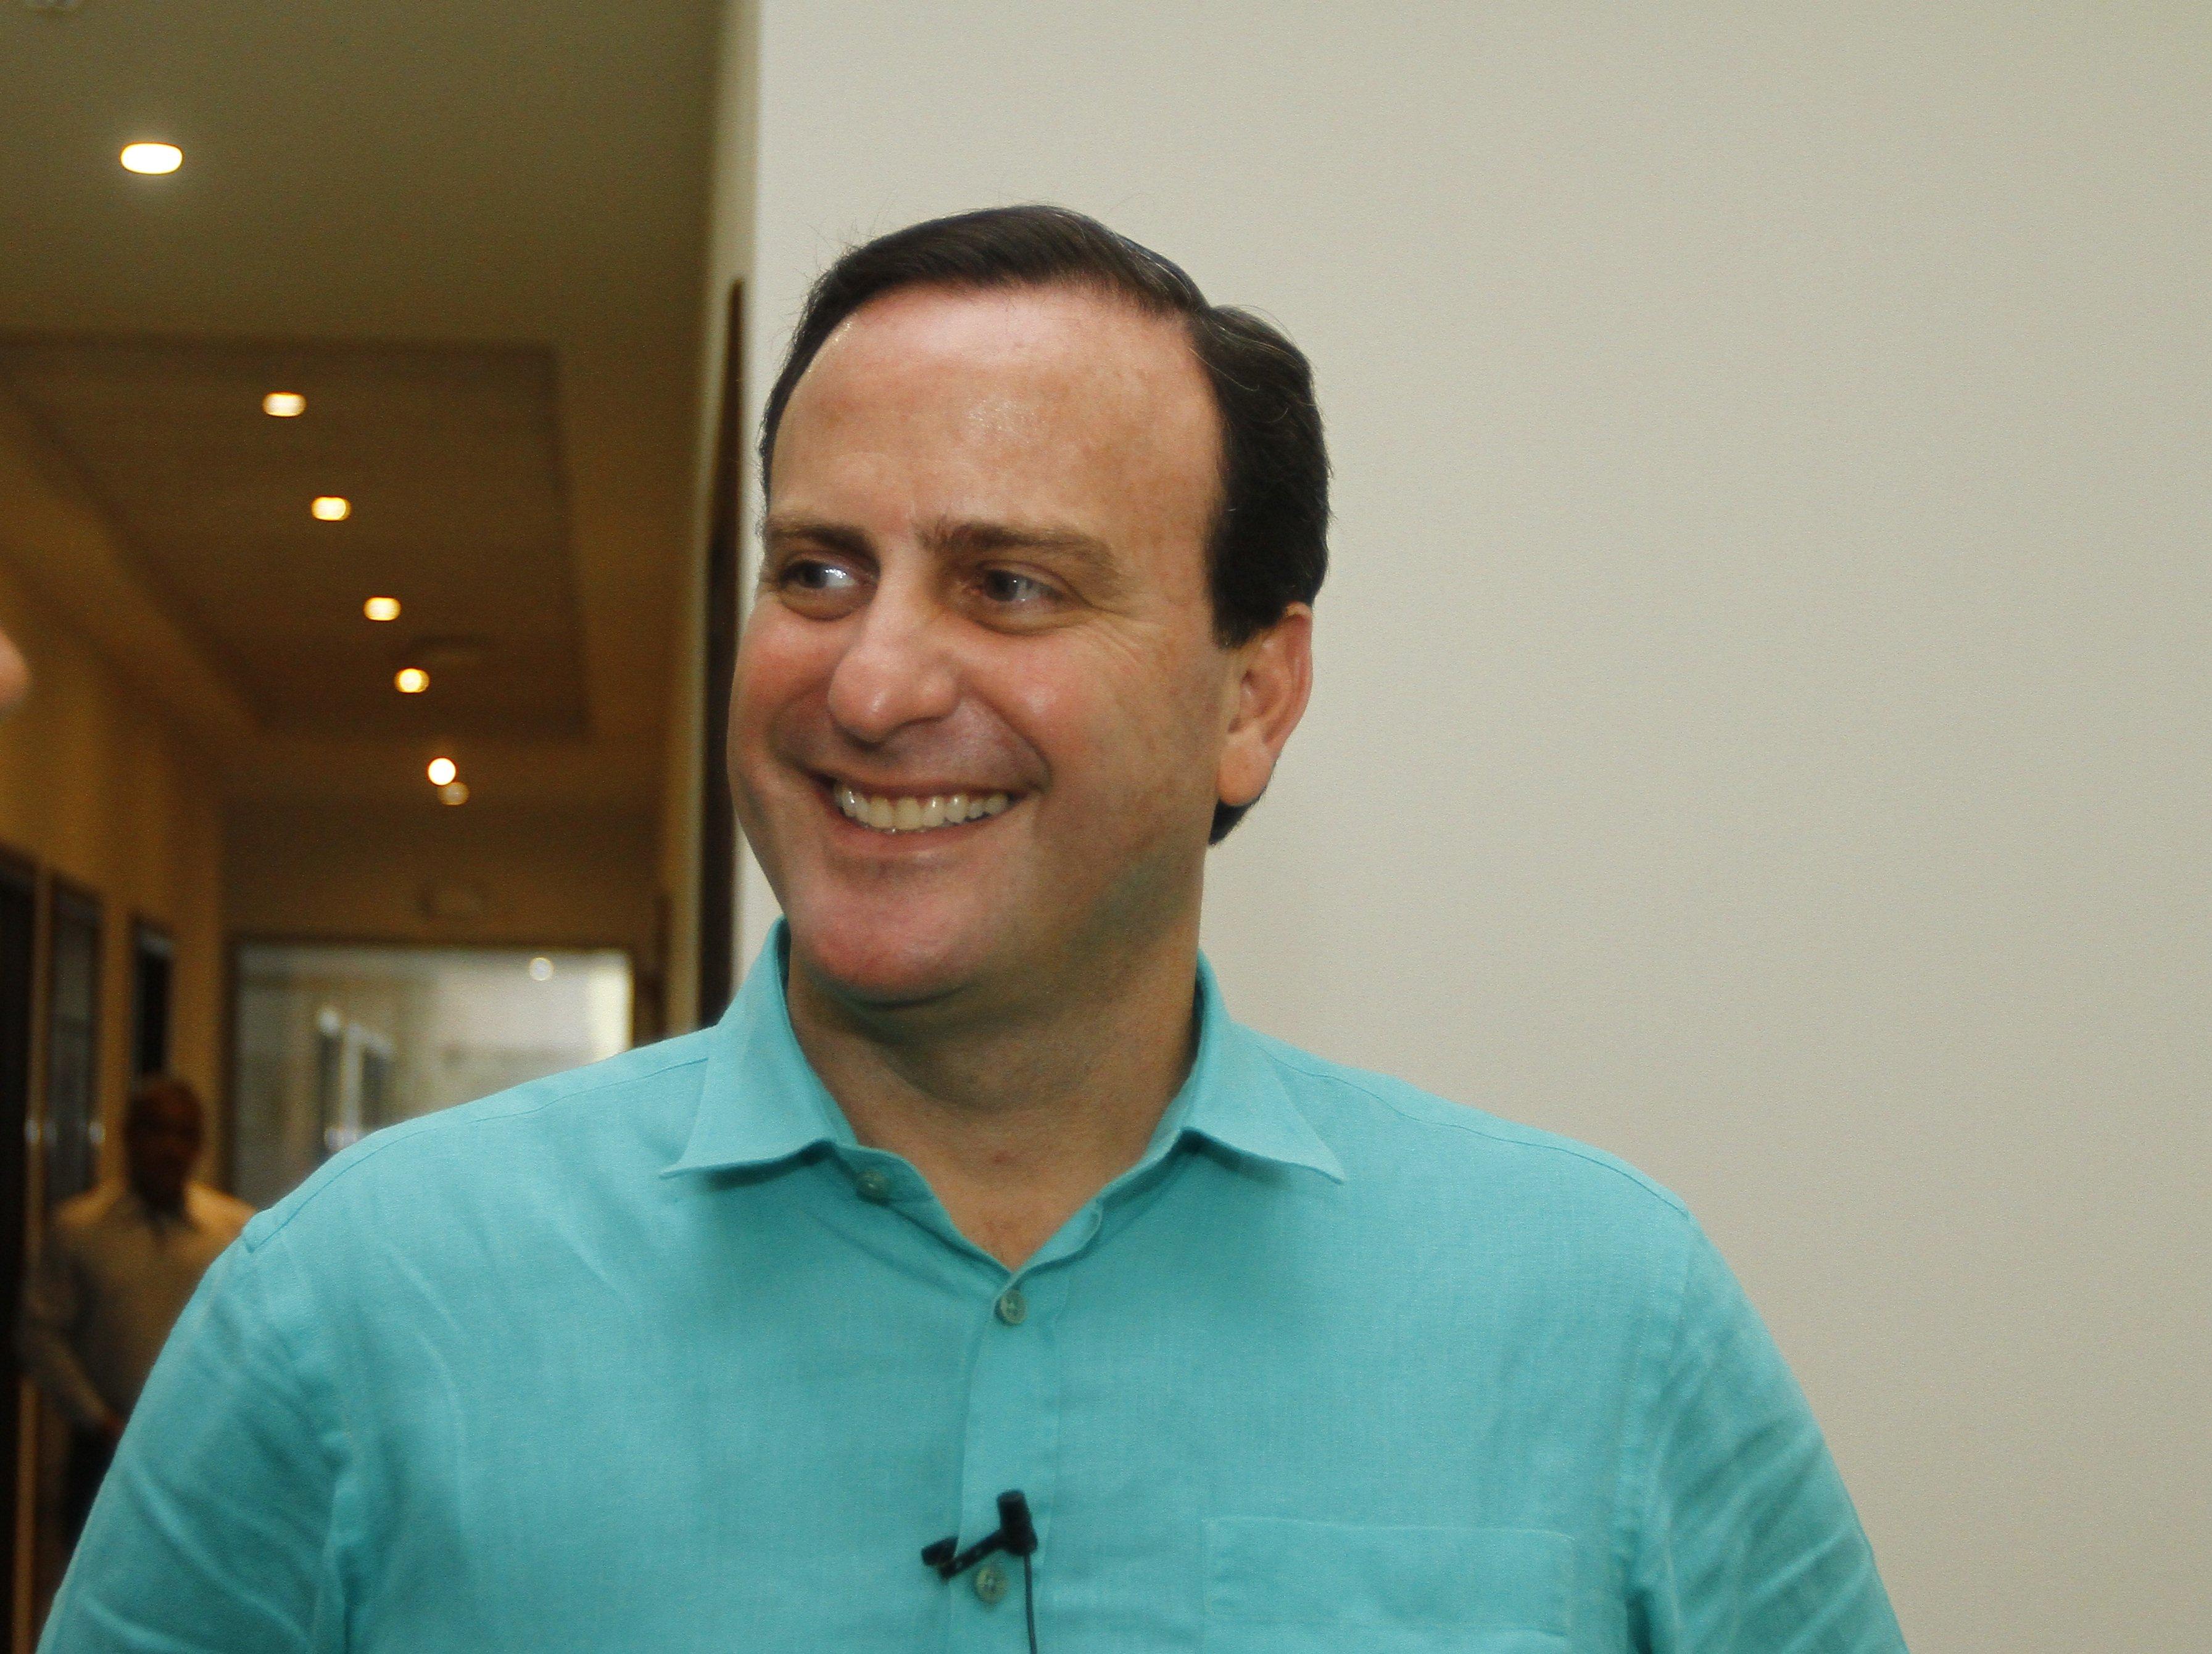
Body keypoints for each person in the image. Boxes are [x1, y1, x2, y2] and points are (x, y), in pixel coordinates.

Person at [40, 206, 1907, 1651]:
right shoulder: (350, 1313)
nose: (870, 684)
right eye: (816, 570)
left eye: (1009, 584)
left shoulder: (1601, 1325)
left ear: (1253, 694)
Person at [19, 1076, 252, 1543]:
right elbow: (39, 1334)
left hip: (203, 1447)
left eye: (184, 1134)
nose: (170, 1148)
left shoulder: (233, 1231)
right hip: (103, 1451)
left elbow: (251, 1334)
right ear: (128, 1136)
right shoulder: (79, 1228)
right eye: (156, 1130)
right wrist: (100, 1420)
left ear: (200, 1145)